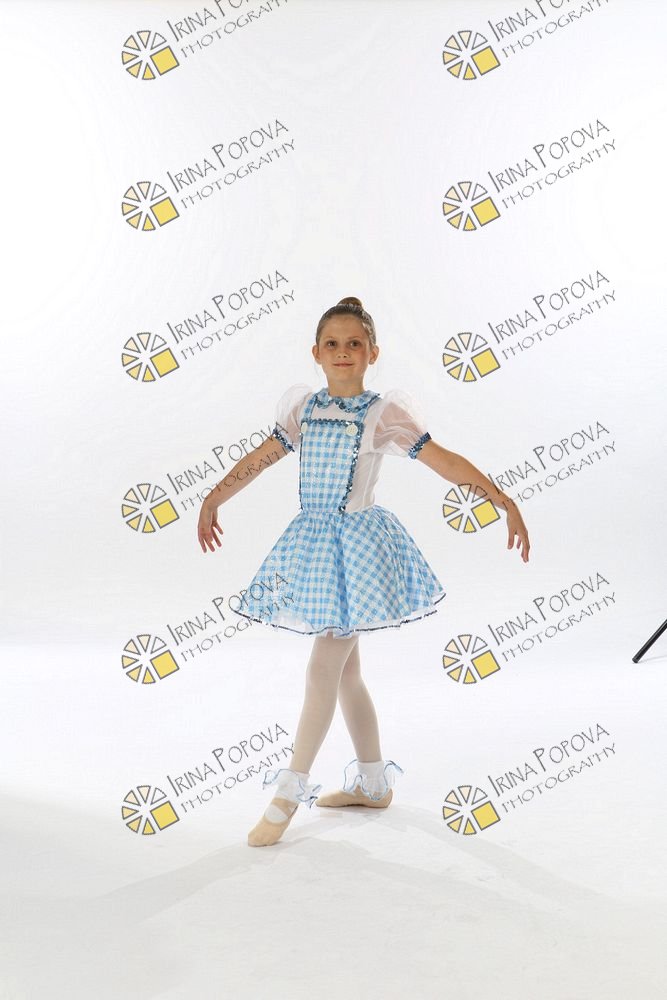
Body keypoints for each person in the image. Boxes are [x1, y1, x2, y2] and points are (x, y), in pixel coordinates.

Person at [197, 297, 530, 847]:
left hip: (357, 553)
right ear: (316, 353)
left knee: (322, 669)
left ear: (373, 353)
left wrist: (502, 499)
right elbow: (259, 458)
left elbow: (444, 461)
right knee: (346, 674)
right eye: (332, 343)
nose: (343, 352)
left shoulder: (381, 415)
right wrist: (214, 497)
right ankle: (373, 786)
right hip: (314, 547)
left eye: (354, 343)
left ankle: (287, 794)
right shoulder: (304, 410)